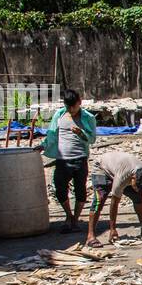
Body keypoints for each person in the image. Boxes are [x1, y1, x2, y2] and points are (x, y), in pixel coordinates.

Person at [86, 150, 142, 247]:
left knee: (138, 198)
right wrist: (113, 229)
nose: (137, 190)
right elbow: (114, 202)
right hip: (101, 169)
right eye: (136, 187)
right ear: (133, 179)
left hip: (119, 168)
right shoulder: (122, 177)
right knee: (99, 199)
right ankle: (91, 236)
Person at [42, 89, 97, 233]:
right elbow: (51, 134)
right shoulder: (59, 115)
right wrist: (43, 145)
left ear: (80, 102)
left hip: (80, 158)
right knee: (59, 188)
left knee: (80, 190)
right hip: (62, 159)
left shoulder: (88, 118)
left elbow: (92, 139)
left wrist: (81, 133)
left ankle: (75, 219)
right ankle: (69, 216)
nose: (71, 110)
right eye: (68, 107)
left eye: (74, 106)